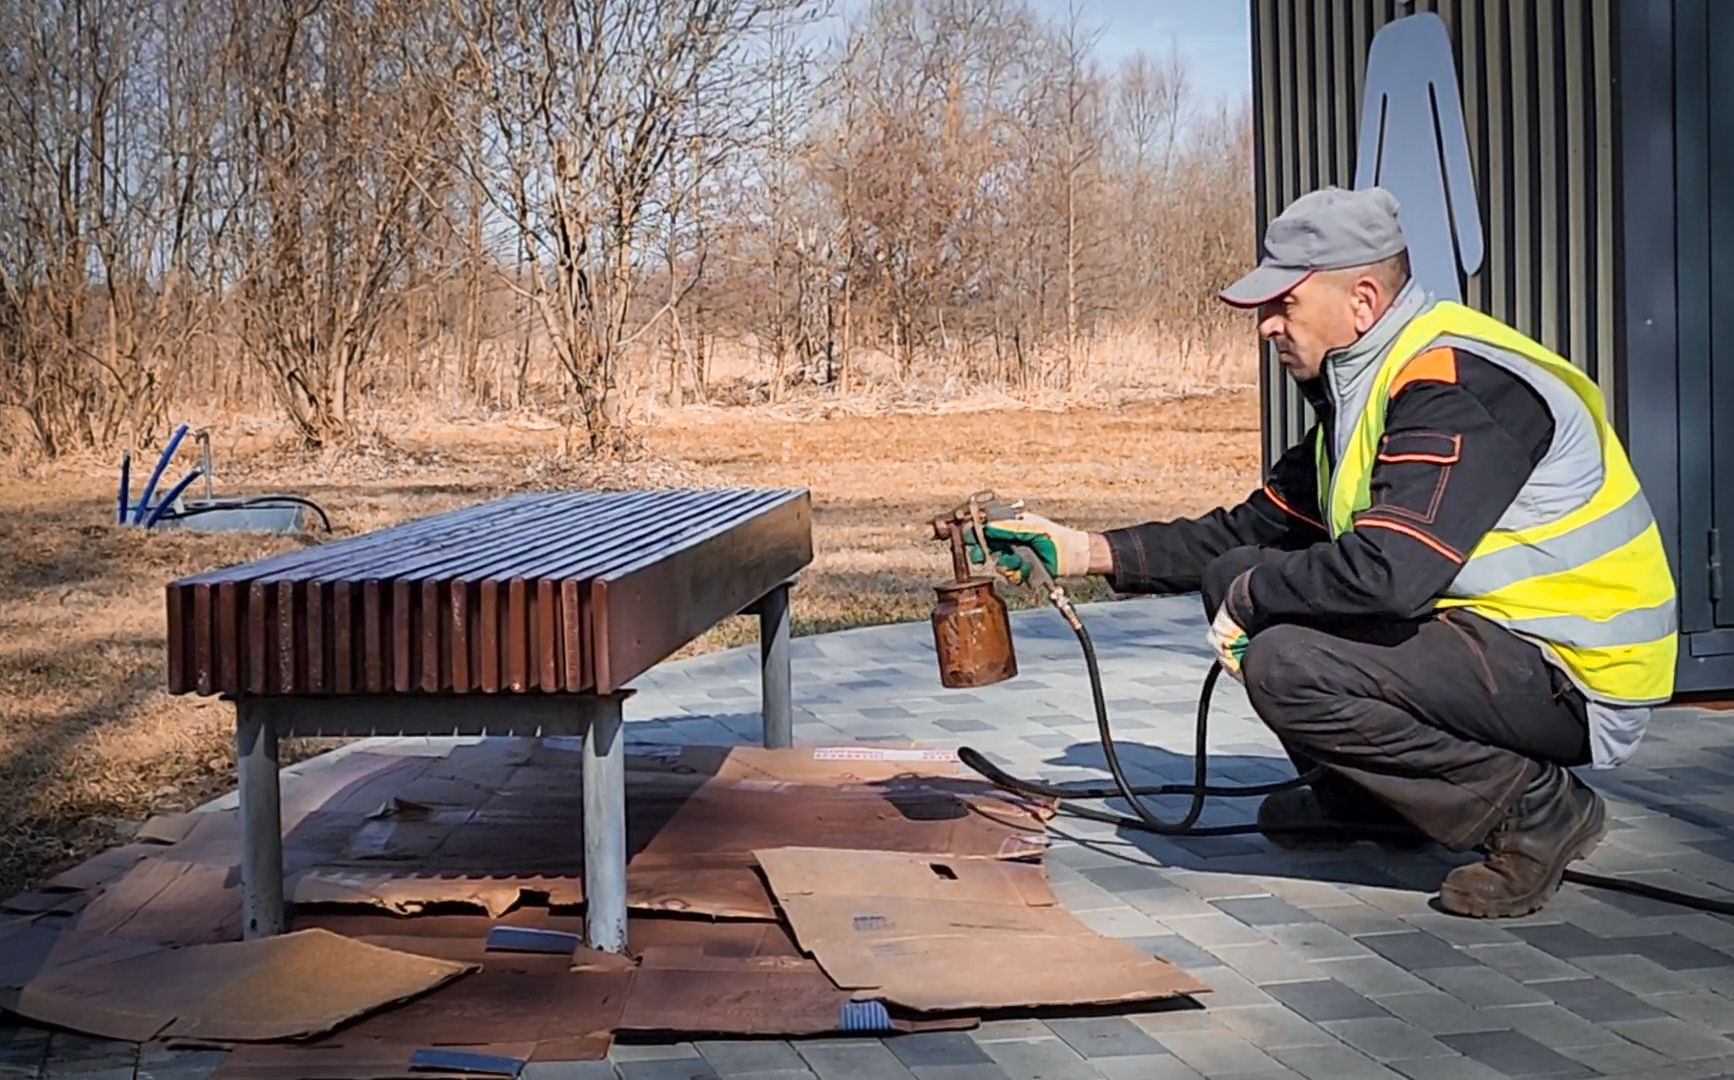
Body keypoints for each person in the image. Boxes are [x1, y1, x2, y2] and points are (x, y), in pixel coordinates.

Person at [978, 186, 1678, 919]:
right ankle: (1375, 802)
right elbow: (1247, 533)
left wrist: (1251, 595)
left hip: (1574, 671)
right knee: (1238, 577)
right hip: (1494, 645)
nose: (1267, 327)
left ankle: (1538, 809)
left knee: (1286, 663)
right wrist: (1081, 551)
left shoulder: (1454, 388)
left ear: (1363, 301)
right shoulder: (1372, 389)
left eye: (1284, 305)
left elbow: (1390, 575)